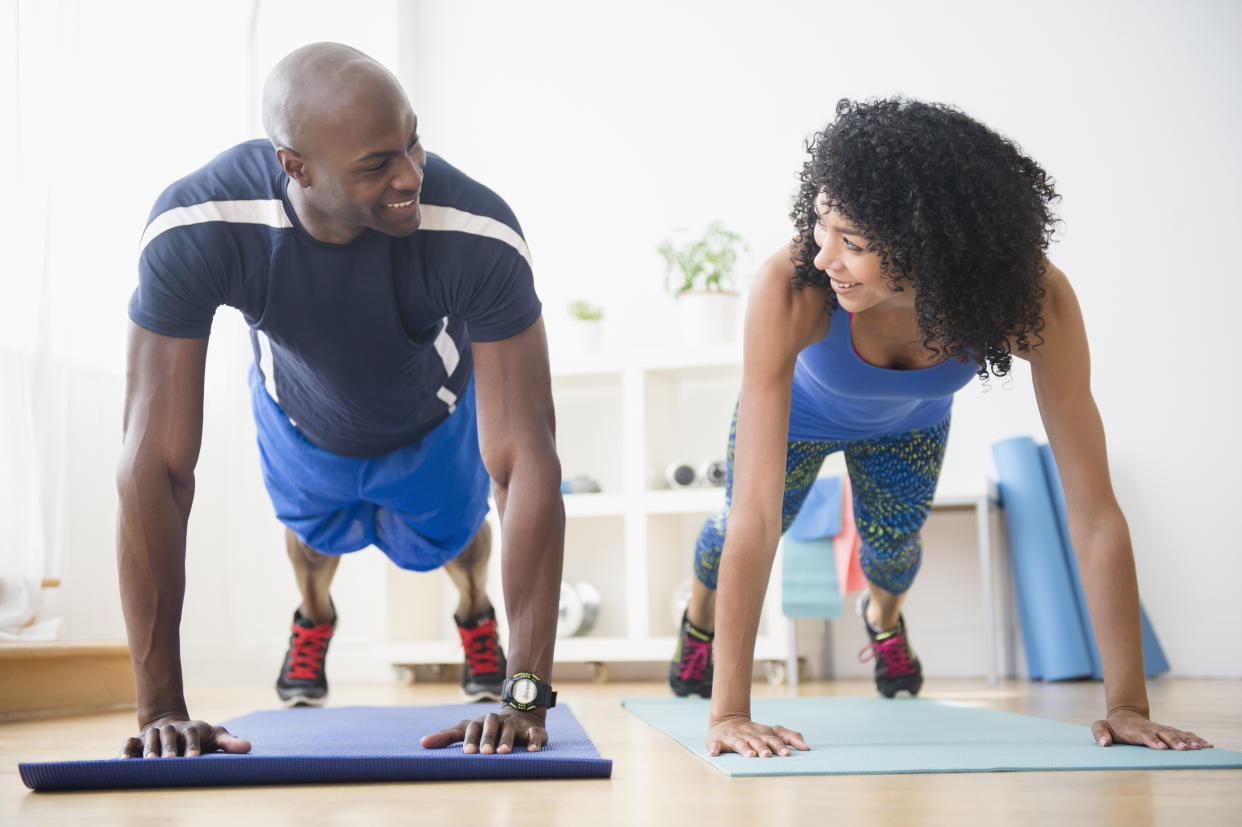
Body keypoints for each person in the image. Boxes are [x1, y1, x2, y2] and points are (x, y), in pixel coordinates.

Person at [668, 98, 1214, 758]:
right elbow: (756, 513)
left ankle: (883, 621)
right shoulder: (793, 287)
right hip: (802, 420)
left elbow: (1094, 512)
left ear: (930, 249)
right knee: (730, 526)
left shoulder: (1030, 302)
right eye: (821, 223)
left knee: (893, 553)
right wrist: (730, 713)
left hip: (910, 425)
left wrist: (1127, 705)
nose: (825, 255)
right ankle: (697, 627)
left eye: (854, 243)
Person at [116, 42, 564, 759]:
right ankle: (314, 616)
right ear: (295, 165)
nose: (410, 173)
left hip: (432, 419)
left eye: (412, 140)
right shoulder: (200, 224)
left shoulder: (475, 231)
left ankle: (476, 614)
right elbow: (155, 466)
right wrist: (160, 708)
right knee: (313, 540)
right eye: (375, 163)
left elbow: (526, 463)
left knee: (457, 541)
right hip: (302, 417)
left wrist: (526, 692)